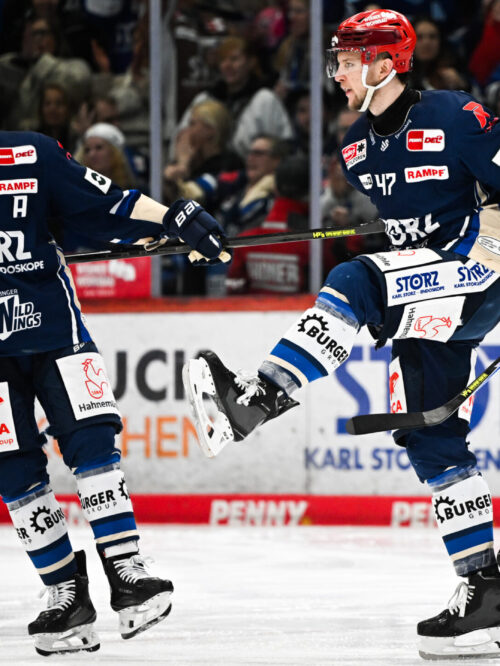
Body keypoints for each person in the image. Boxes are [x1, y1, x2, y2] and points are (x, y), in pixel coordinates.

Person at [183, 8, 500, 661]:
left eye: (348, 60)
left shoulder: (456, 116)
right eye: (337, 60)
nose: (337, 73)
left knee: (355, 279)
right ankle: (486, 590)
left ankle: (259, 397)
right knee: (429, 436)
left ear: (386, 63)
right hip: (427, 290)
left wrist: (484, 241)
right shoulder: (356, 149)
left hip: (478, 272)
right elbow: (408, 224)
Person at [0, 128, 228, 655]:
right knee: (11, 467)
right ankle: (65, 593)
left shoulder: (28, 153)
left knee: (91, 440)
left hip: (54, 331)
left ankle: (127, 572)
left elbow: (103, 202)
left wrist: (172, 218)